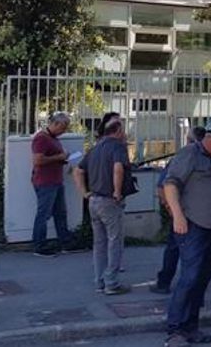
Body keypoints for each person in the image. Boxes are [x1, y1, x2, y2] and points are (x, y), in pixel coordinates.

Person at [162, 123, 211, 346]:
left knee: (201, 279)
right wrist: (177, 216)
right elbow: (170, 184)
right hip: (191, 226)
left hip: (210, 228)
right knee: (189, 278)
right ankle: (175, 330)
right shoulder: (190, 154)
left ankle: (191, 327)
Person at [74, 119, 134, 295]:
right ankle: (111, 283)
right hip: (109, 200)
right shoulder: (117, 147)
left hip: (93, 200)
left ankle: (99, 281)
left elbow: (78, 171)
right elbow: (118, 168)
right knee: (115, 241)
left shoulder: (95, 148)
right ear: (117, 131)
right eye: (123, 130)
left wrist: (85, 193)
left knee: (99, 243)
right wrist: (117, 191)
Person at [151, 126, 206, 295]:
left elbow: (162, 185)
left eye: (189, 140)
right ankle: (191, 285)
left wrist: (169, 208)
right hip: (196, 213)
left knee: (175, 249)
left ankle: (166, 283)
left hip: (183, 212)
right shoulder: (207, 160)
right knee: (194, 251)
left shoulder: (181, 158)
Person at [30, 112, 77, 257]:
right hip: (45, 182)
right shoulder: (41, 138)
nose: (64, 131)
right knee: (43, 214)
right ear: (55, 124)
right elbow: (38, 160)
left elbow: (48, 158)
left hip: (55, 180)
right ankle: (39, 245)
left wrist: (63, 159)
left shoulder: (53, 138)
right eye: (63, 127)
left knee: (60, 213)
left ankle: (65, 242)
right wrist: (60, 157)